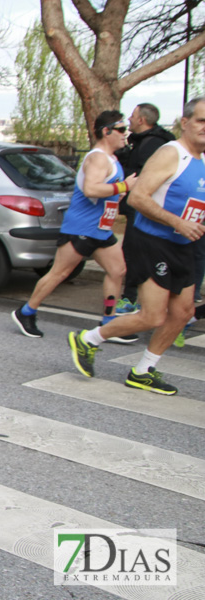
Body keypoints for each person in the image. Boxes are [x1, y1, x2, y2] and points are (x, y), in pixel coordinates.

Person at [68, 97, 205, 396]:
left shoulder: (203, 160)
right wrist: (177, 222)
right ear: (185, 122)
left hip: (183, 244)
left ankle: (143, 371)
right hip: (153, 241)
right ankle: (87, 339)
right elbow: (138, 198)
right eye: (201, 121)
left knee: (182, 313)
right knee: (153, 316)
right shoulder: (171, 154)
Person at [12, 111, 136, 340]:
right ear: (106, 131)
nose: (124, 134)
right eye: (120, 129)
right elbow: (91, 188)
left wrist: (115, 197)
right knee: (59, 273)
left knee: (118, 271)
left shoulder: (113, 160)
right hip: (80, 228)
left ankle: (108, 324)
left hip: (101, 228)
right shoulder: (98, 158)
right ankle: (26, 312)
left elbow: (103, 193)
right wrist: (123, 188)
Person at [114, 103, 177, 314]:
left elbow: (143, 176)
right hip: (143, 206)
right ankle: (146, 299)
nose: (129, 119)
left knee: (133, 251)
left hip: (142, 206)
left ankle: (130, 299)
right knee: (139, 252)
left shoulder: (152, 144)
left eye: (132, 116)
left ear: (141, 120)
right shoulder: (146, 142)